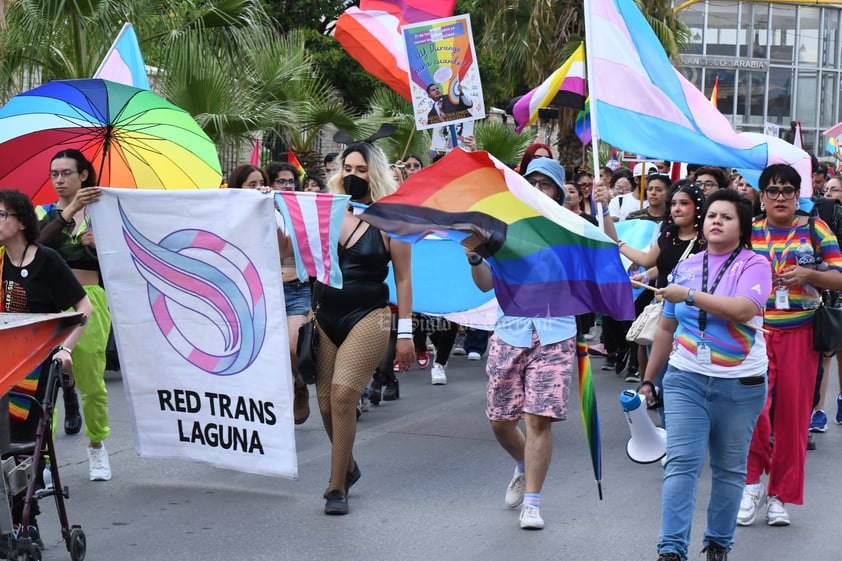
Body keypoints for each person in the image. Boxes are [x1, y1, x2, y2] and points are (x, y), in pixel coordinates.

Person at [639, 188, 772, 561]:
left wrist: (691, 296)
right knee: (682, 463)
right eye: (712, 215)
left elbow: (744, 310)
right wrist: (649, 380)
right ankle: (671, 550)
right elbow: (665, 329)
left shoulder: (754, 265)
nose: (716, 221)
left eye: (726, 217)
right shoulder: (686, 265)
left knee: (729, 470)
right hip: (685, 378)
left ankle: (717, 545)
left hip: (741, 384)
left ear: (742, 227)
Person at [468, 157, 576, 530]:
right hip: (509, 332)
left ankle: (533, 502)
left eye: (545, 184)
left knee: (538, 420)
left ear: (558, 193)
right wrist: (475, 256)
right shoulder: (499, 230)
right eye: (530, 182)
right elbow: (484, 283)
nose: (536, 189)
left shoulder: (569, 230)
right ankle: (521, 463)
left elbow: (592, 271)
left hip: (554, 334)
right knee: (500, 422)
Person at [739, 164, 842, 527]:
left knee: (793, 420)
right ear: (762, 197)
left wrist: (808, 275)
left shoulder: (817, 229)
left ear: (799, 196)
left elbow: (838, 277)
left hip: (801, 334)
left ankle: (780, 495)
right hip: (753, 335)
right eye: (772, 190)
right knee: (755, 413)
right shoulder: (748, 232)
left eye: (787, 190)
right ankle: (751, 485)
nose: (780, 197)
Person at [315, 142, 414, 515]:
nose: (352, 175)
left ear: (373, 174)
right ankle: (350, 466)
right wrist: (265, 204)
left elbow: (404, 278)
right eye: (347, 168)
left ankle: (335, 486)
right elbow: (289, 248)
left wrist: (404, 334)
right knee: (324, 404)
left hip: (369, 315)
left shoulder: (392, 218)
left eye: (360, 170)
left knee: (343, 398)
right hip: (324, 313)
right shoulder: (326, 211)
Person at [1, 188, 94, 541]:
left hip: (35, 367)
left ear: (22, 221)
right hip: (2, 362)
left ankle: (25, 520)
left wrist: (65, 350)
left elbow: (84, 311)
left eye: (1, 215)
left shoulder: (48, 260)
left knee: (23, 445)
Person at [36, 149, 113, 481]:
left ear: (84, 175)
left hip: (89, 300)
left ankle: (97, 446)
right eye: (54, 173)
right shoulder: (47, 213)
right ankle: (44, 460)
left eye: (66, 173)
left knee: (92, 382)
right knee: (44, 387)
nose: (59, 180)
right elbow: (38, 243)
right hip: (51, 307)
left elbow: (127, 263)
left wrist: (102, 246)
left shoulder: (105, 213)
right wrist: (70, 211)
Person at [618, 180, 707, 385]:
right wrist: (618, 243)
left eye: (683, 203)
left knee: (681, 378)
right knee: (658, 378)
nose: (676, 208)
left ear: (698, 206)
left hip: (692, 317)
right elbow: (651, 261)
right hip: (663, 313)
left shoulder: (707, 239)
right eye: (673, 203)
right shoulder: (667, 235)